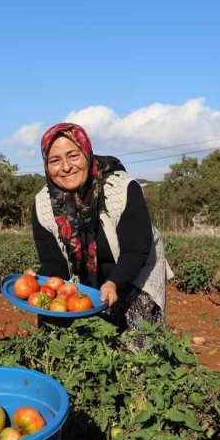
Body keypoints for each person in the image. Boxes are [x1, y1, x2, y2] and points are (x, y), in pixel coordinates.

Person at [31, 122, 172, 345]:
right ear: (46, 165)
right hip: (85, 278)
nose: (66, 167)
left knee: (140, 346)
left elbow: (136, 250)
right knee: (59, 329)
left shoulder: (121, 189)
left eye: (73, 156)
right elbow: (53, 263)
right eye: (55, 160)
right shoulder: (43, 205)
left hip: (135, 271)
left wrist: (115, 282)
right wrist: (39, 281)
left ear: (87, 154)